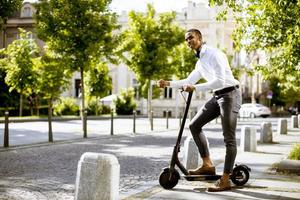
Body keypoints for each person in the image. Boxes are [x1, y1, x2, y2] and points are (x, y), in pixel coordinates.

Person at [157, 29, 241, 192]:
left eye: (191, 38)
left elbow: (220, 81)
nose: (189, 41)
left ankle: (225, 179)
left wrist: (194, 87)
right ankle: (207, 165)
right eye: (186, 40)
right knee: (194, 125)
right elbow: (189, 81)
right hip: (218, 96)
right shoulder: (200, 62)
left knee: (229, 138)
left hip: (230, 94)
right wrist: (168, 83)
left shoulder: (214, 54)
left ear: (200, 38)